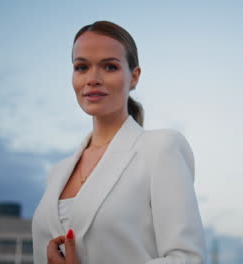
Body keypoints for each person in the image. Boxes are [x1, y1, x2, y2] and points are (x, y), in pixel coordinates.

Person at [32, 21, 206, 264]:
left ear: (134, 77)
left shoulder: (161, 148)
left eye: (109, 67)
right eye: (81, 67)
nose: (92, 79)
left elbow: (187, 259)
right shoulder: (57, 173)